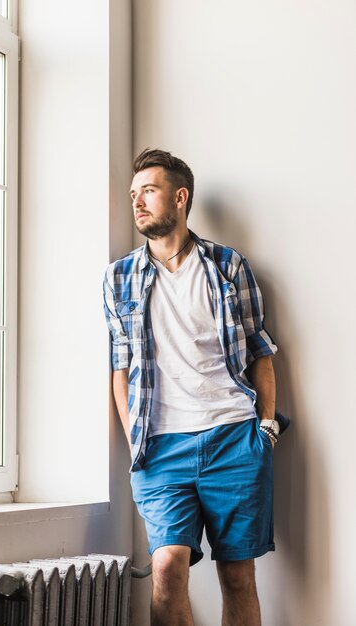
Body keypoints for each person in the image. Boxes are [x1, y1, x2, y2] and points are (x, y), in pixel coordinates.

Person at [103, 148, 288, 626]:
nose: (137, 202)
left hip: (234, 440)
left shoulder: (227, 267)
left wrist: (265, 428)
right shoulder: (118, 278)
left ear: (180, 197)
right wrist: (133, 439)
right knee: (166, 567)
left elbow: (261, 352)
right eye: (133, 194)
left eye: (149, 190)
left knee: (237, 576)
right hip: (161, 448)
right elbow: (119, 369)